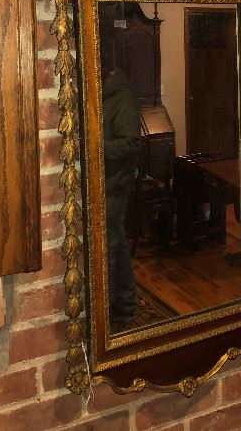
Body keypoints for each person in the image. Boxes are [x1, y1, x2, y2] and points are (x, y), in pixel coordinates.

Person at [101, 60, 141, 327]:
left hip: (115, 182)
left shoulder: (121, 96)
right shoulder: (100, 92)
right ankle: (120, 301)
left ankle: (124, 305)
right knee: (112, 243)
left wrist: (94, 146)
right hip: (102, 181)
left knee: (114, 243)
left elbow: (130, 143)